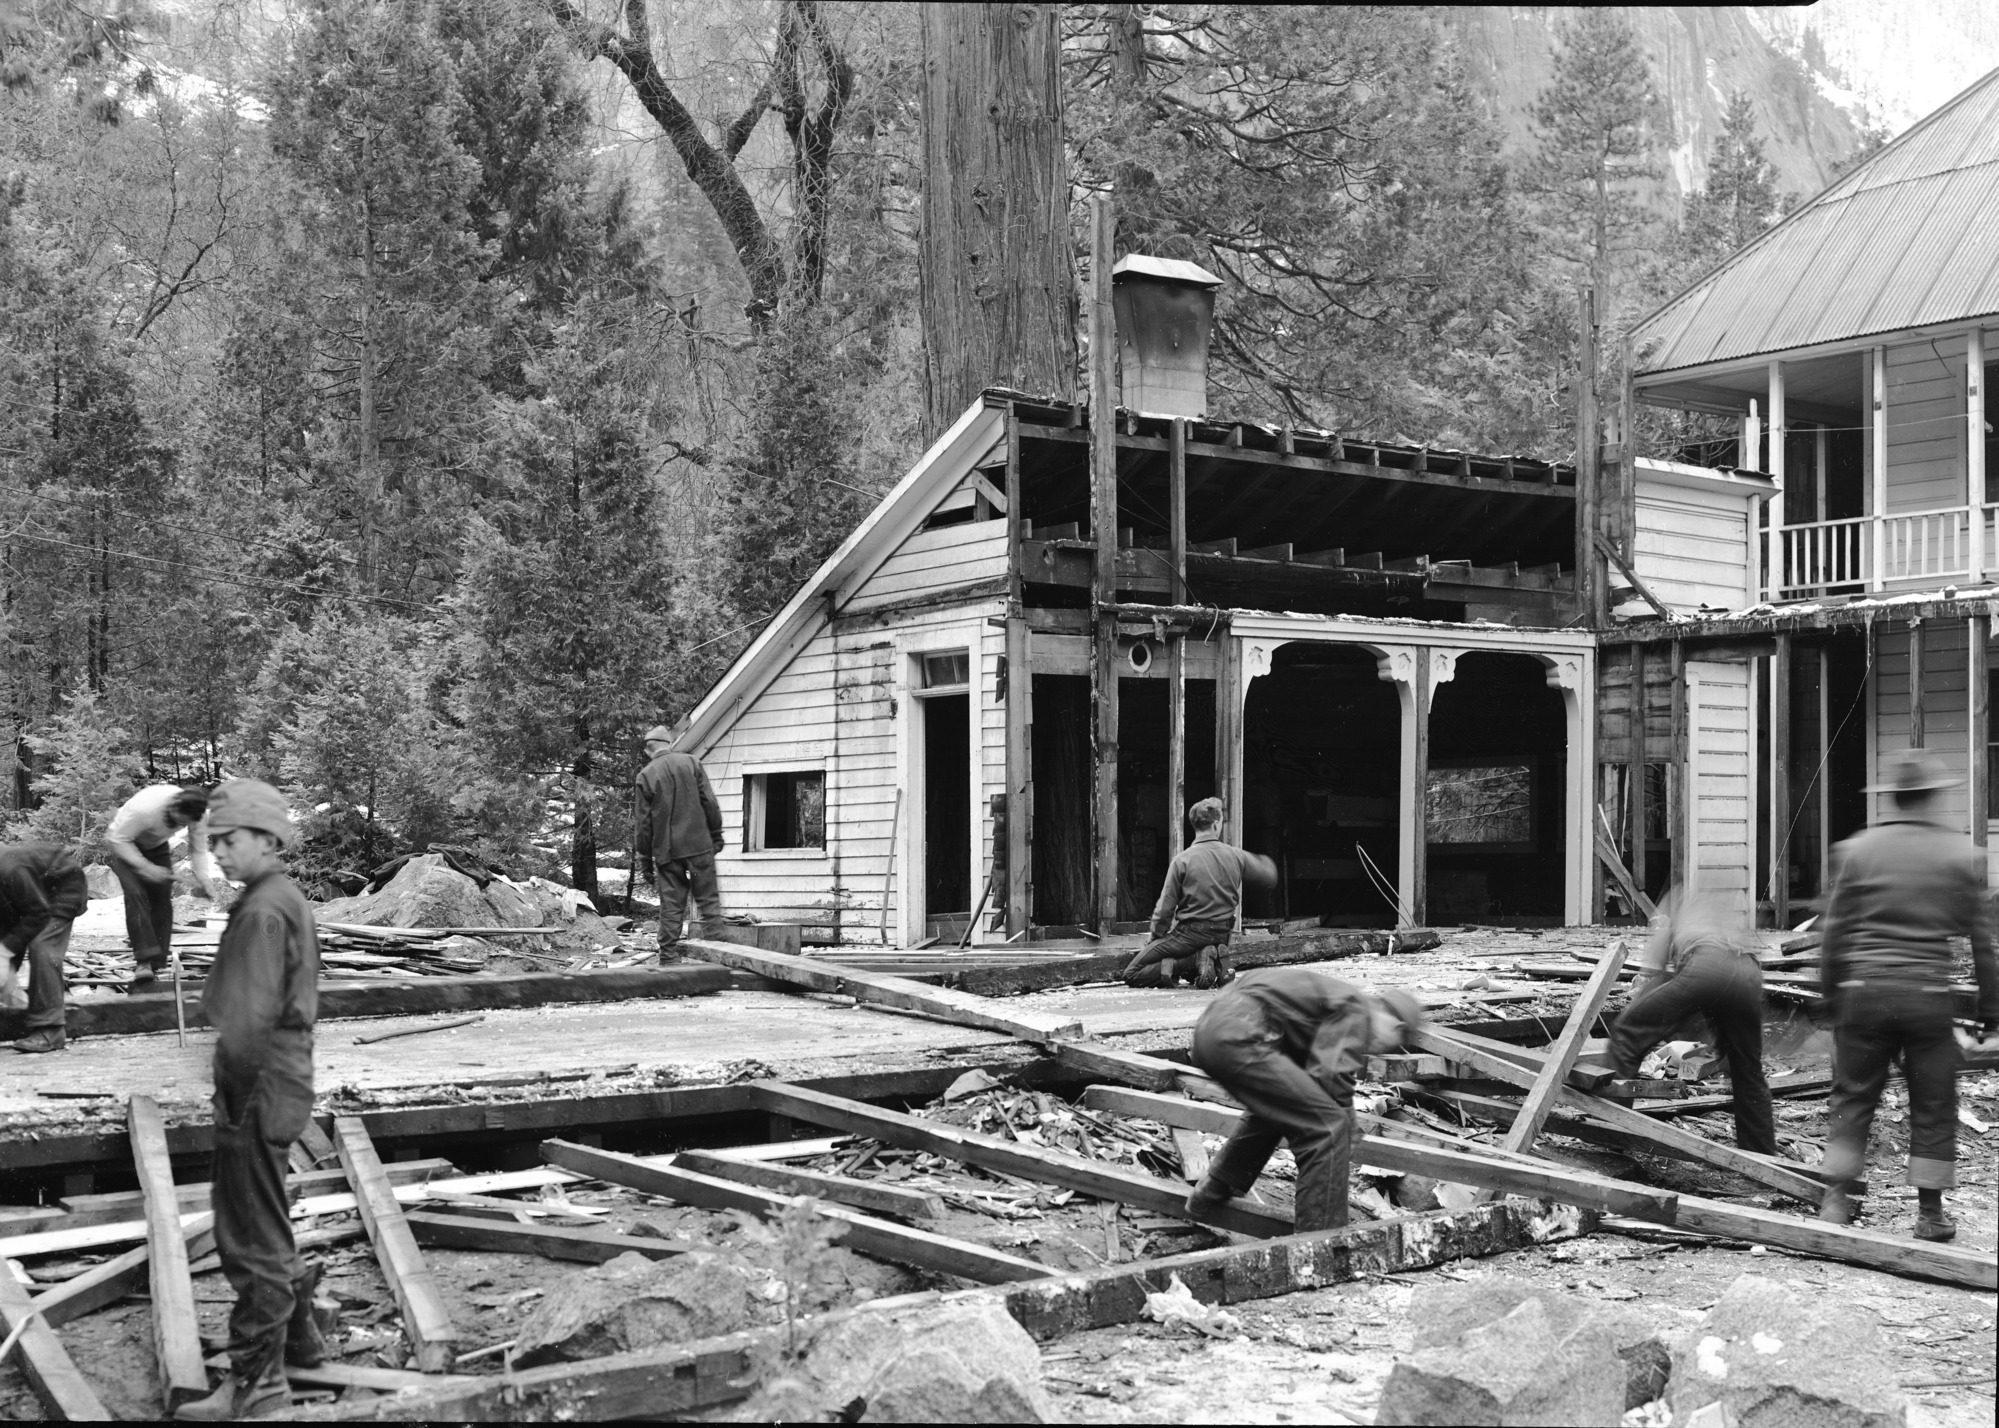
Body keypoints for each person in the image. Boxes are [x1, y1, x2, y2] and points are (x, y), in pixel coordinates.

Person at [177, 779, 324, 1422]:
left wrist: (233, 1100)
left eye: (230, 841)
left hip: (259, 1082)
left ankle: (259, 1386)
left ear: (268, 839)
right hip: (280, 1077)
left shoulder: (265, 909)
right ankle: (303, 1341)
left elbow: (249, 1016)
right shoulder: (276, 897)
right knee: (265, 1216)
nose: (221, 853)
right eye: (214, 843)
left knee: (247, 1233)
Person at [1817, 748, 1998, 1241]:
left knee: (1853, 1098)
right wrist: (1990, 1012)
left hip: (1864, 994)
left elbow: (1834, 934)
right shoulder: (1961, 856)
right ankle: (1930, 1214)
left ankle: (1836, 1200)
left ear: (1894, 798)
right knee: (1933, 1101)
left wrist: (1831, 995)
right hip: (1924, 997)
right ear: (1933, 798)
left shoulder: (1857, 849)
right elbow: (1983, 943)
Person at [1182, 968, 1425, 1231]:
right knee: (1328, 1129)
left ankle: (1210, 1193)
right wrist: (1343, 1128)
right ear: (1397, 1026)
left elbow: (1314, 1084)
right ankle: (1320, 1242)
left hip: (1210, 1033)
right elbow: (1331, 1075)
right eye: (1392, 1042)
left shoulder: (1325, 1001)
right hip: (1241, 1037)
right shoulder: (1358, 1009)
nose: (1379, 1048)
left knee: (1277, 1111)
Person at [1607, 885, 1776, 1156]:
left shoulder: (1672, 907)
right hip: (1748, 973)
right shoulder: (1715, 913)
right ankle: (1763, 1157)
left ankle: (1611, 1136)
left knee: (1628, 1031)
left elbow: (1654, 973)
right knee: (1746, 1071)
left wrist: (1644, 1015)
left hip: (1706, 966)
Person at [1124, 797, 1277, 989]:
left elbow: (1165, 910)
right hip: (1222, 933)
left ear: (1194, 825)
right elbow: (1269, 874)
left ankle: (1194, 960)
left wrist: (1155, 940)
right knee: (1197, 952)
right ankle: (1206, 958)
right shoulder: (1236, 856)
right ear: (1216, 824)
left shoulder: (1182, 860)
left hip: (1189, 936)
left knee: (1132, 973)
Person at [106, 783, 220, 988]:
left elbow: (198, 847)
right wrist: (145, 867)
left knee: (162, 900)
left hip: (157, 846)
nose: (178, 825)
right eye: (177, 820)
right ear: (172, 806)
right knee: (136, 896)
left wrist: (203, 879)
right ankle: (143, 962)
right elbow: (117, 839)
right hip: (126, 845)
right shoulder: (145, 809)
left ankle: (156, 964)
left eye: (182, 824)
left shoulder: (197, 814)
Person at [634, 726, 725, 954]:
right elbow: (709, 801)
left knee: (672, 907)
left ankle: (668, 959)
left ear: (648, 749)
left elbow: (643, 825)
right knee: (709, 903)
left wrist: (644, 860)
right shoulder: (691, 763)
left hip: (668, 852)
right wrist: (715, 834)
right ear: (669, 744)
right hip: (698, 846)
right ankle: (721, 959)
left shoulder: (645, 775)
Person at [0, 842, 88, 1054]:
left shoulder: (11, 868)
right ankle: (24, 1011)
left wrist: (4, 953)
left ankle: (51, 1030)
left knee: (43, 947)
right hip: (32, 897)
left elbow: (38, 913)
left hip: (65, 889)